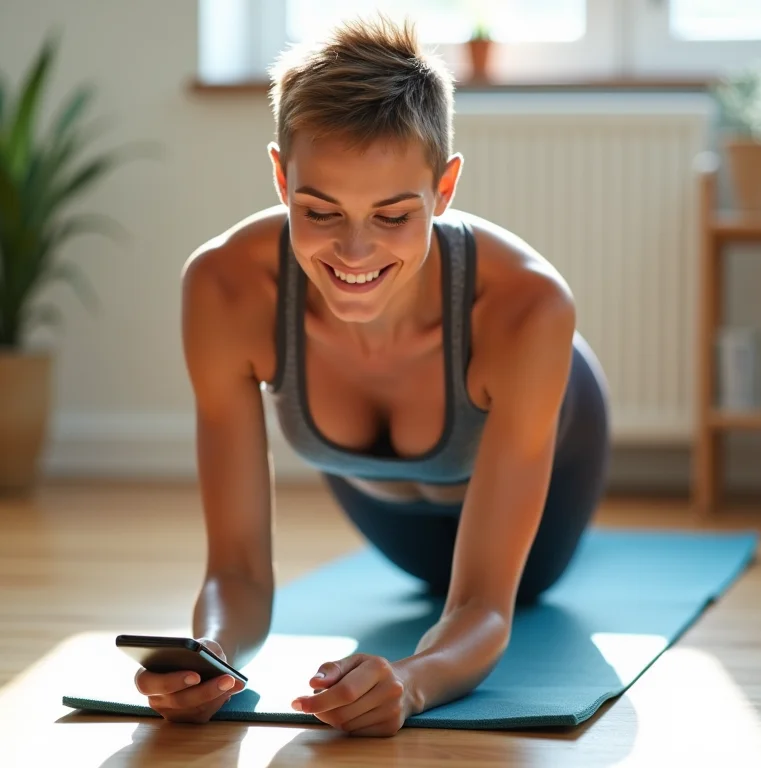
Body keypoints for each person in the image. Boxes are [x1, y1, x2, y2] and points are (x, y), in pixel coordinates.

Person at [133, 15, 610, 736]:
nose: (354, 252)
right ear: (280, 177)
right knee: (423, 591)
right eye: (319, 210)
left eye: (392, 215)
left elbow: (483, 607)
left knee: (524, 590)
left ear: (444, 187)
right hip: (384, 520)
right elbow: (237, 572)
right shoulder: (224, 287)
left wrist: (412, 685)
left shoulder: (527, 305)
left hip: (546, 516)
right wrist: (212, 658)